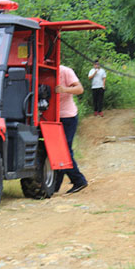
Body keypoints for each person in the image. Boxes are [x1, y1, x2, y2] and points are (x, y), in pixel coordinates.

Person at [54, 65, 89, 194]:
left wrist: (64, 89)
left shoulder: (65, 71)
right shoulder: (44, 71)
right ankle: (55, 185)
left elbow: (80, 89)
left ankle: (79, 180)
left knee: (65, 150)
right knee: (57, 150)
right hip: (53, 117)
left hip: (68, 116)